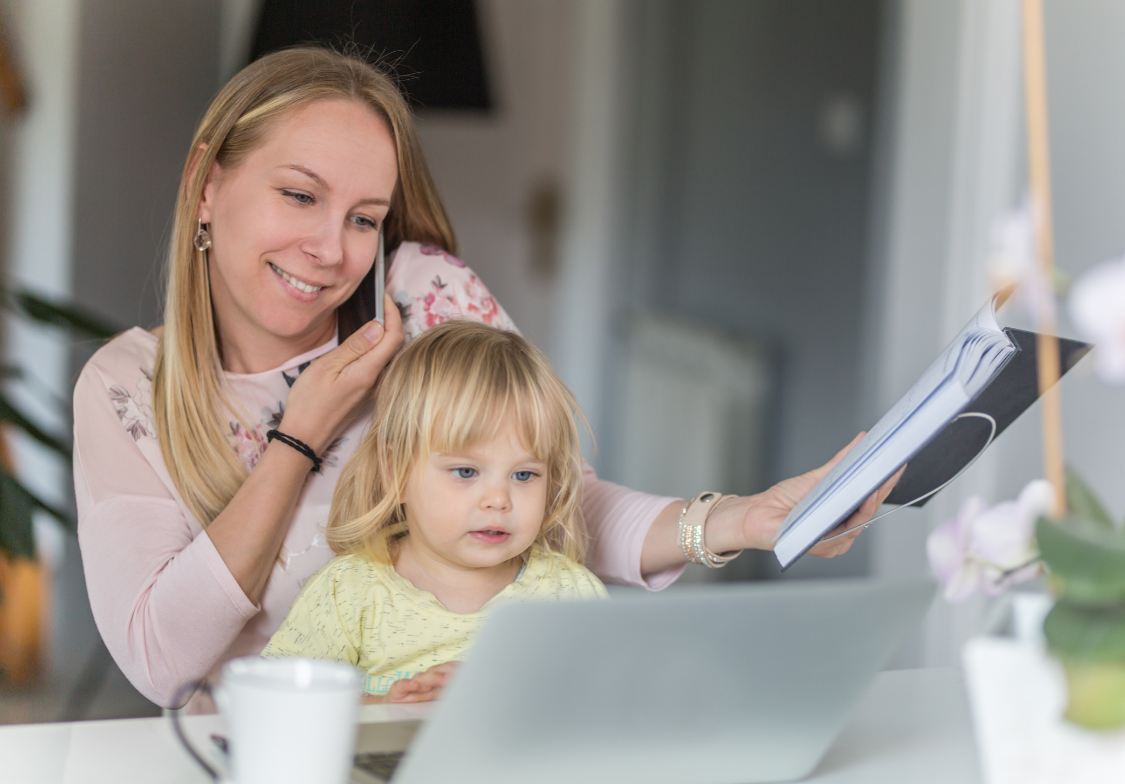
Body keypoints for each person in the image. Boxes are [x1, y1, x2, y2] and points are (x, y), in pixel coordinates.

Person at [72, 47, 896, 709]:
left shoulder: (421, 295)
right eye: (299, 195)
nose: (332, 249)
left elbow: (561, 499)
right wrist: (300, 437)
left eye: (364, 218)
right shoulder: (127, 388)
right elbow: (160, 658)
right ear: (206, 184)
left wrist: (742, 521)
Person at [263, 320, 606, 703]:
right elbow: (278, 699)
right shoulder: (350, 592)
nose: (498, 500)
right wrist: (387, 706)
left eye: (524, 474)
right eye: (466, 471)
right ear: (397, 474)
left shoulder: (569, 595)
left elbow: (611, 709)